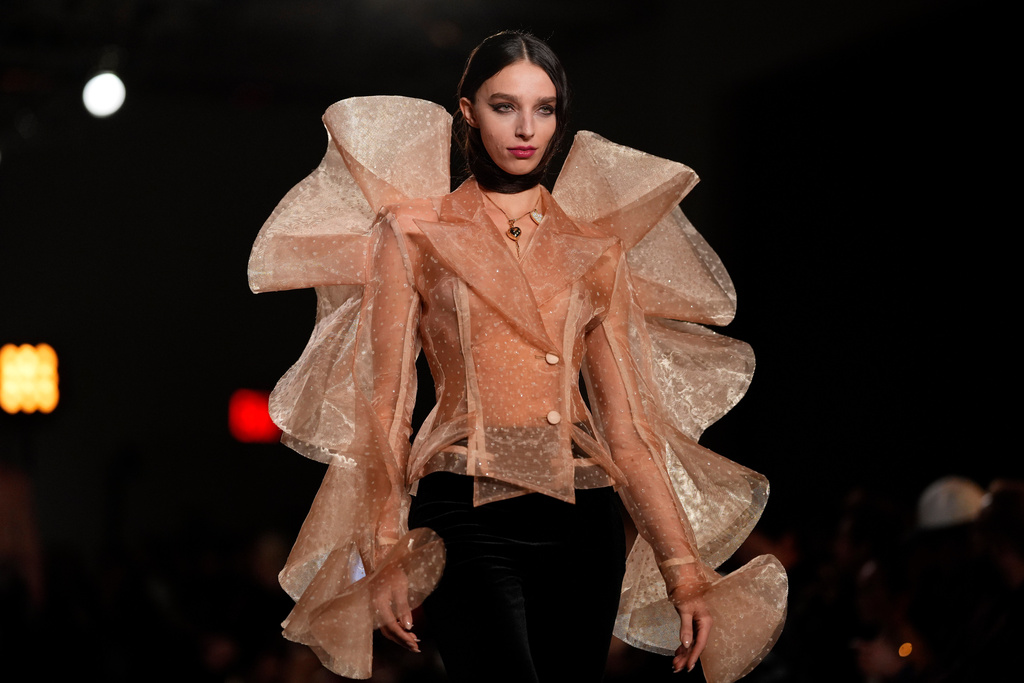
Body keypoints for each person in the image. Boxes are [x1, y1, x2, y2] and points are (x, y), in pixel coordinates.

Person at [248, 31, 787, 683]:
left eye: (544, 108)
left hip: (583, 515)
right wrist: (386, 546)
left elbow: (627, 430)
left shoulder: (594, 247)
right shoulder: (414, 231)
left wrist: (684, 570)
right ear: (468, 111)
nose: (526, 128)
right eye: (504, 106)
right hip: (462, 506)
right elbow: (387, 404)